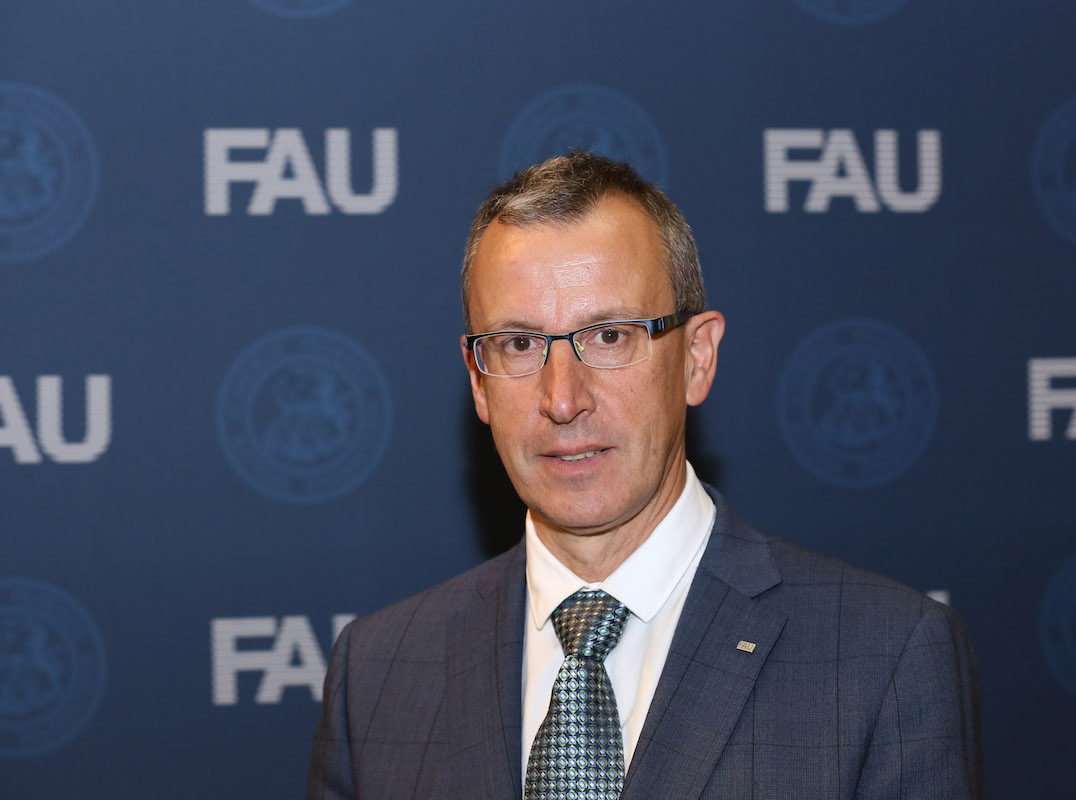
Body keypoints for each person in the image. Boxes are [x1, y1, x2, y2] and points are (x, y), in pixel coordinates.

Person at [307, 152, 985, 800]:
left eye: (610, 336)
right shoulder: (378, 670)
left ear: (696, 358)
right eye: (518, 344)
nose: (562, 399)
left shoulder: (884, 655)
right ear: (478, 381)